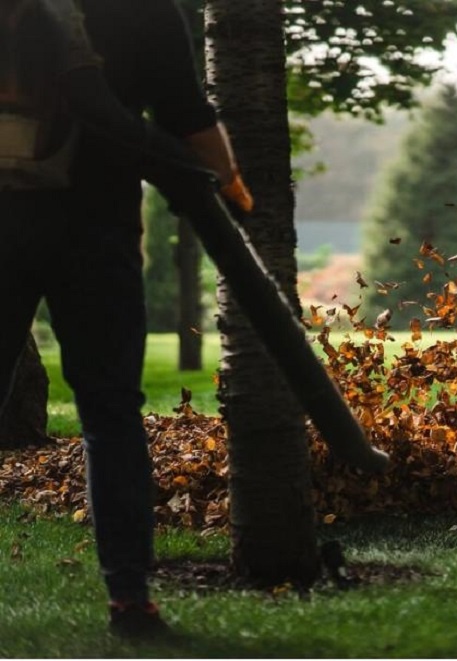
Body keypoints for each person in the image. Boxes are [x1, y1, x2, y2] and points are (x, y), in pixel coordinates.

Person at [0, 0, 251, 638]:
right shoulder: (144, 12)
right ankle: (130, 601)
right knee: (110, 415)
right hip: (95, 233)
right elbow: (186, 117)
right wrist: (227, 182)